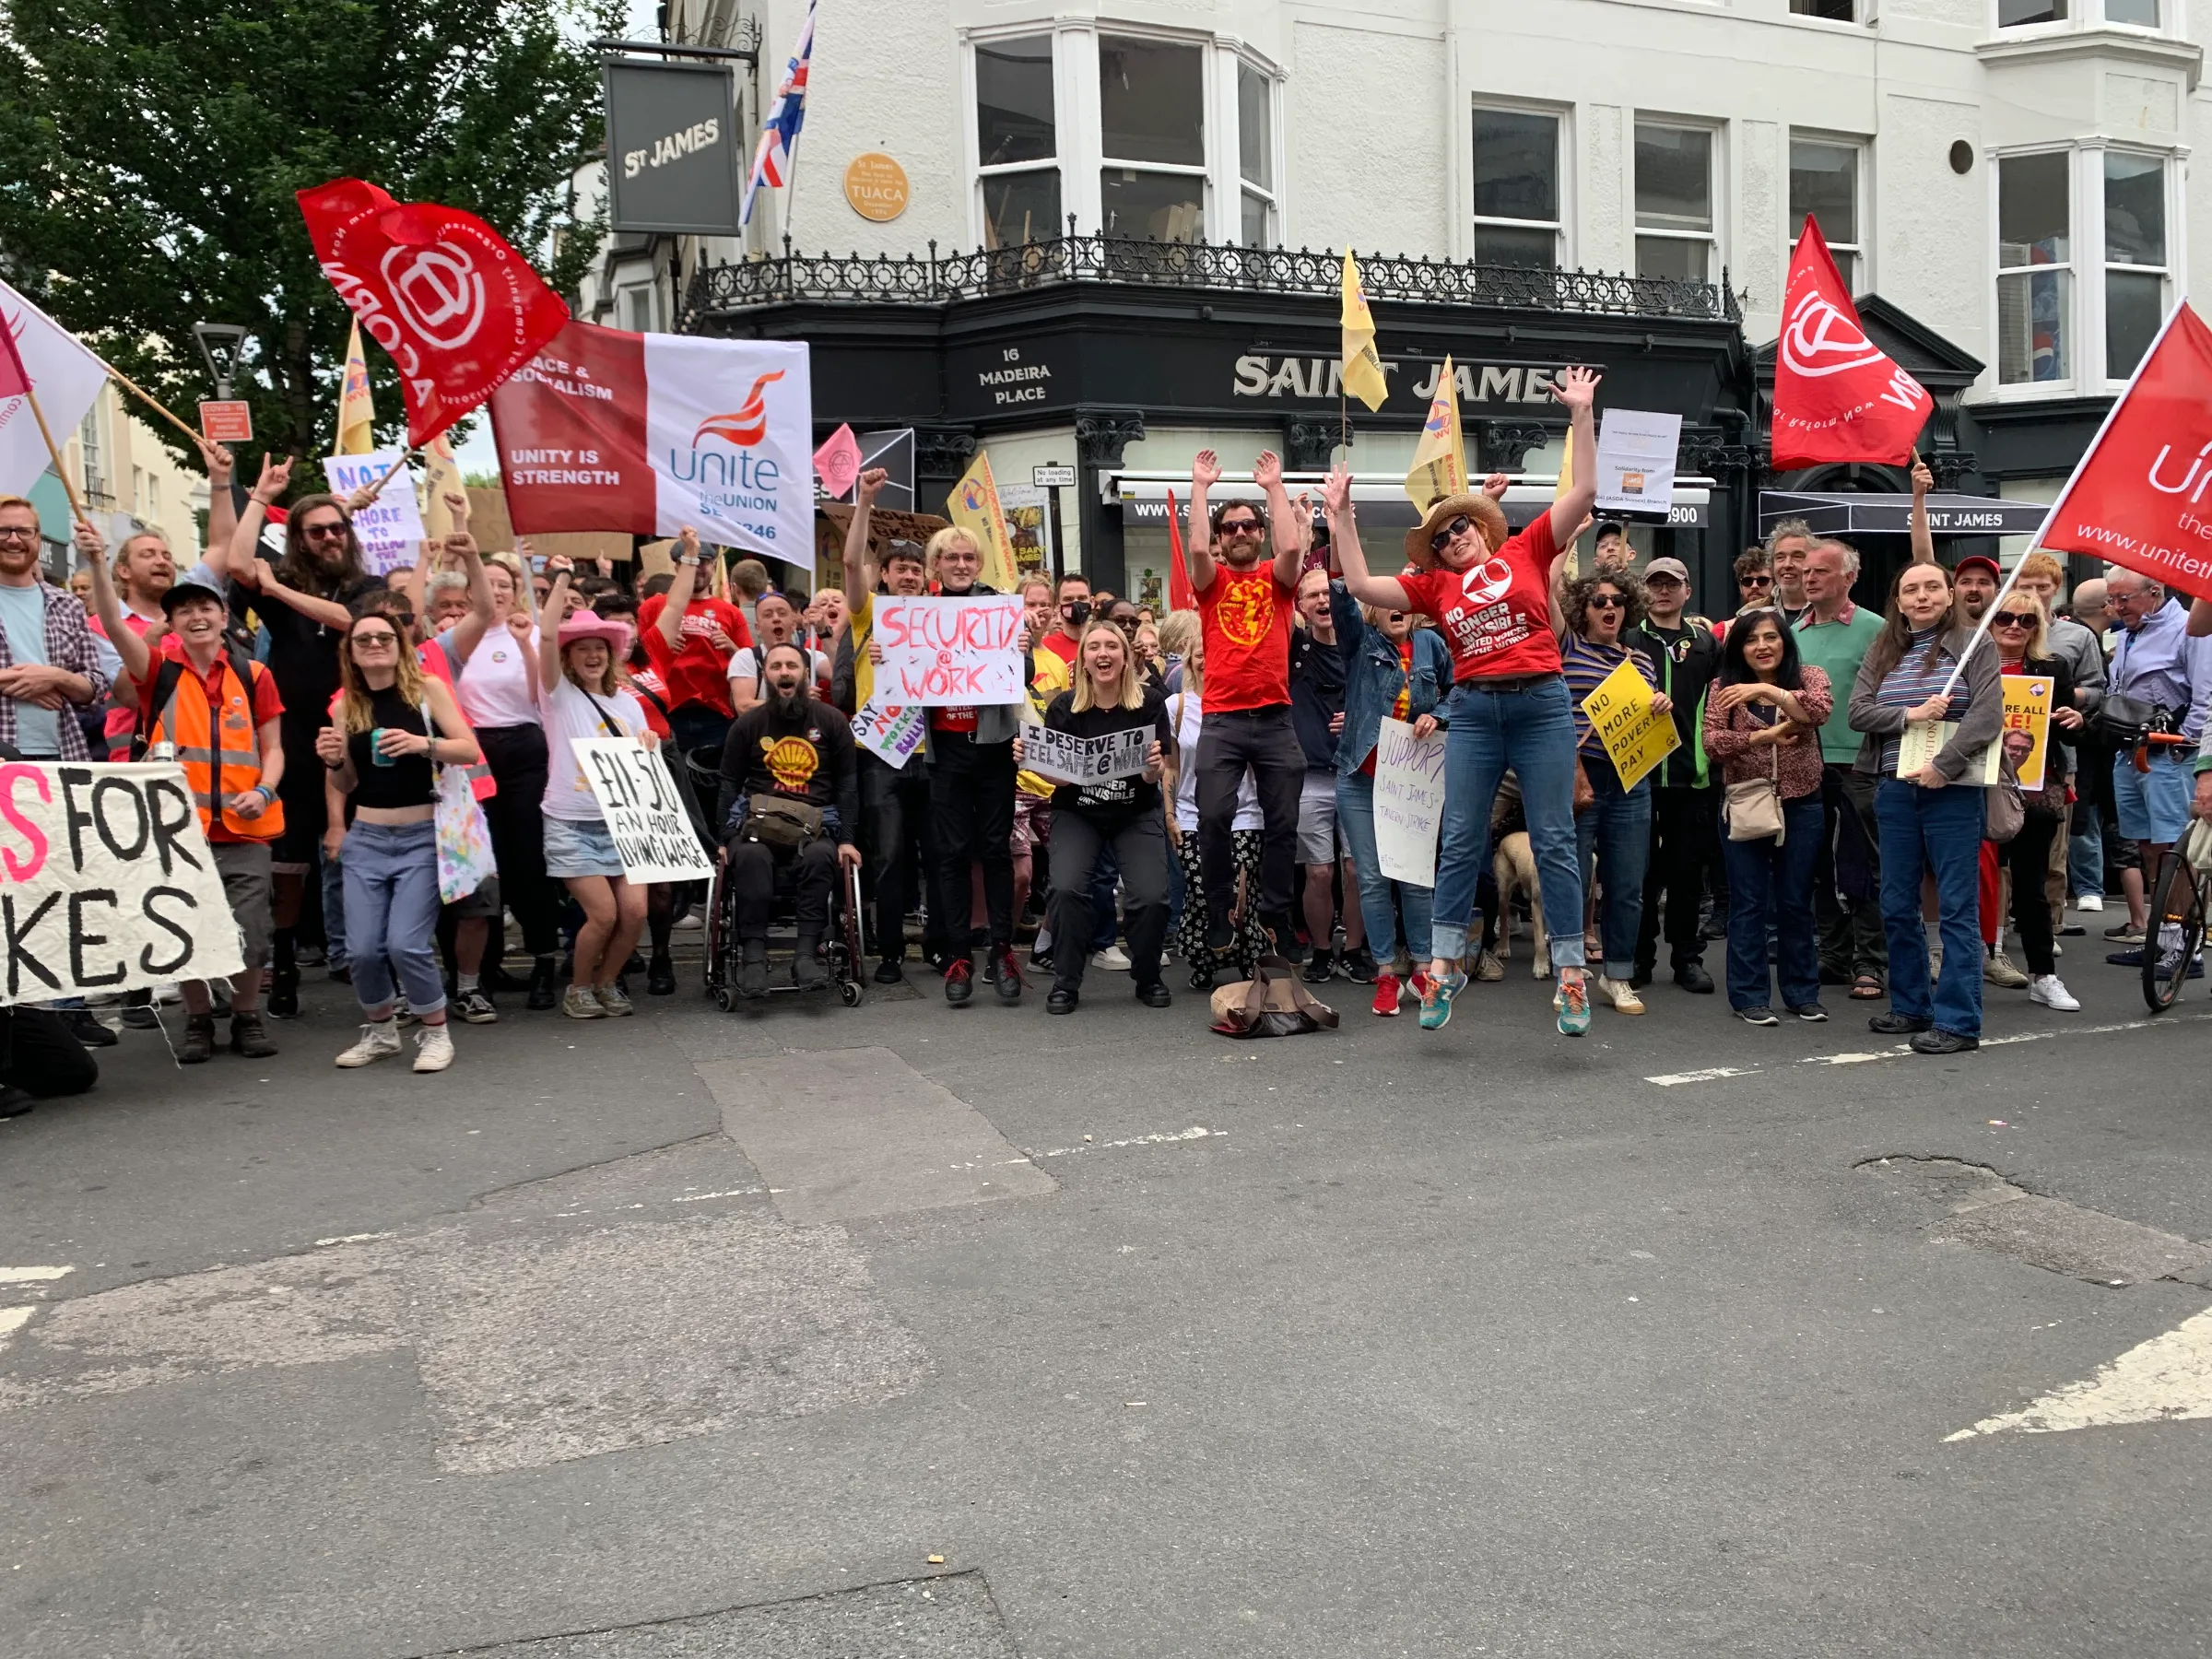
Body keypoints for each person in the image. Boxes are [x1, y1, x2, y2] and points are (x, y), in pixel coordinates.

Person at [1324, 361, 1604, 1036]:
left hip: (1539, 703)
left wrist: (1581, 412)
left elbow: (1587, 487)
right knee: (1458, 838)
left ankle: (1570, 976)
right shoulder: (1433, 591)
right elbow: (1360, 584)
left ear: (1485, 528)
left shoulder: (1531, 549)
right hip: (1475, 708)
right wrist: (1340, 519)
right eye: (1443, 537)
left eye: (1462, 528)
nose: (1455, 539)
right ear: (1438, 555)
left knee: (1556, 840)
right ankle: (1443, 965)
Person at [85, 557, 285, 1064]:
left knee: (253, 929)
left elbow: (274, 748)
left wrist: (264, 791)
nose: (196, 617)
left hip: (245, 829)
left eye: (205, 607)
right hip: (176, 831)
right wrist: (93, 561)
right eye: (184, 611)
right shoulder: (158, 673)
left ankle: (245, 1015)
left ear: (223, 617)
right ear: (169, 625)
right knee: (184, 926)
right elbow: (112, 623)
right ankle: (197, 1018)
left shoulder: (254, 674)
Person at [225, 457, 387, 1018]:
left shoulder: (371, 585)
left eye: (336, 527)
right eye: (315, 530)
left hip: (359, 730)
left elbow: (350, 621)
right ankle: (287, 961)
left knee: (364, 851)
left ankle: (374, 958)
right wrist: (258, 497)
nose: (328, 537)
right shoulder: (282, 577)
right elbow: (239, 562)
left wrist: (279, 590)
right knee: (290, 859)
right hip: (294, 735)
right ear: (298, 539)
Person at [312, 609, 480, 1072]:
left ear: (400, 644)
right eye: (362, 639)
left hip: (423, 836)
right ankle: (382, 1031)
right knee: (361, 949)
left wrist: (421, 744)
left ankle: (436, 1033)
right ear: (351, 651)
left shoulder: (427, 690)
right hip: (367, 836)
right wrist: (332, 761)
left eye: (384, 636)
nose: (374, 644)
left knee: (406, 943)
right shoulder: (346, 705)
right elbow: (346, 784)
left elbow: (468, 749)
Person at [1847, 561, 2002, 1055]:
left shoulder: (1976, 644)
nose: (1922, 597)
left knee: (1957, 909)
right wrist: (1911, 714)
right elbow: (1858, 711)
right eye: (1910, 589)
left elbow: (1987, 716)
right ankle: (1912, 1004)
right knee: (1895, 903)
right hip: (1894, 788)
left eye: (1932, 587)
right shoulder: (1885, 647)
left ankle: (1959, 1022)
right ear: (1898, 601)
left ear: (1950, 593)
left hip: (1952, 792)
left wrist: (1945, 765)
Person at [1184, 448, 1306, 965]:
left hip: (1275, 719)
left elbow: (1295, 546)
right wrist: (1199, 488)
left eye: (1248, 525)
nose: (1239, 532)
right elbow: (1194, 550)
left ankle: (1276, 913)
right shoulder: (1211, 584)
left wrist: (1274, 489)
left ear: (1259, 533)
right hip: (1223, 721)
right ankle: (1218, 909)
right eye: (1229, 527)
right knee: (1213, 817)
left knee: (1282, 823)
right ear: (1220, 538)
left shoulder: (1278, 583)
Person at [1021, 618, 1175, 1013]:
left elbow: (1158, 770)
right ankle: (1066, 982)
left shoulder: (1150, 702)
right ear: (1083, 659)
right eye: (1094, 647)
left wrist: (1153, 769)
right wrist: (1035, 763)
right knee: (1066, 889)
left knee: (1151, 896)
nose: (1102, 653)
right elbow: (1061, 779)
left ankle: (1148, 977)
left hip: (1136, 810)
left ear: (1125, 658)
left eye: (1111, 647)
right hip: (1079, 813)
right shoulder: (1063, 707)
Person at [535, 564, 659, 1019]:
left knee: (635, 914)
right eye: (582, 649)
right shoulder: (557, 694)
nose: (592, 655)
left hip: (626, 822)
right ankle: (579, 987)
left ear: (612, 654)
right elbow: (547, 638)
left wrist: (649, 742)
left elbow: (643, 749)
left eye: (599, 648)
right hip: (572, 822)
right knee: (603, 915)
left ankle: (606, 984)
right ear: (569, 657)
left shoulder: (627, 701)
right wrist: (564, 581)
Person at [1702, 610, 1832, 1025]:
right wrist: (1763, 736)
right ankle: (1748, 996)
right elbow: (1712, 744)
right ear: (1739, 647)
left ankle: (1801, 993)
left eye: (1771, 637)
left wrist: (1767, 692)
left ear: (1785, 642)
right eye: (1751, 639)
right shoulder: (1722, 687)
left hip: (1803, 802)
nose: (1762, 646)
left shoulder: (1810, 675)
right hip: (1745, 802)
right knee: (1750, 902)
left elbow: (1818, 711)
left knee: (1795, 901)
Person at [1330, 577, 1452, 1017]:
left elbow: (1460, 692)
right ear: (1373, 612)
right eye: (1386, 604)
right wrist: (1340, 561)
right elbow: (1340, 600)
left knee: (1417, 877)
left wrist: (1437, 716)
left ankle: (1422, 969)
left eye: (1402, 603)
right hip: (1362, 781)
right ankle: (1385, 973)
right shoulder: (1361, 645)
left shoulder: (1433, 647)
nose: (1395, 610)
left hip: (1414, 781)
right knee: (1374, 879)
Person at [921, 524, 1029, 1006]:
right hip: (945, 749)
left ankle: (1003, 950)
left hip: (992, 747)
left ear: (978, 564)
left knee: (995, 850)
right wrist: (883, 657)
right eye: (952, 558)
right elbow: (900, 675)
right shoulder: (917, 612)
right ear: (937, 565)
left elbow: (1019, 677)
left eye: (969, 557)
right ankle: (958, 953)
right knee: (951, 854)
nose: (961, 565)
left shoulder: (999, 606)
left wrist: (1023, 653)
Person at [718, 641, 861, 995]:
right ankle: (753, 957)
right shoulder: (748, 724)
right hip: (756, 827)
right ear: (765, 675)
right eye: (776, 666)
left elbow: (847, 785)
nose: (785, 672)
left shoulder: (831, 720)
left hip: (815, 827)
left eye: (792, 666)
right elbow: (728, 784)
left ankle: (805, 955)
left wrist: (846, 838)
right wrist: (721, 840)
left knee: (820, 856)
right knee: (749, 857)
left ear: (806, 674)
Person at [1557, 568, 1668, 1015]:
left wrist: (1663, 706)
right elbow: (1547, 589)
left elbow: (1650, 725)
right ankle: (1570, 975)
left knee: (1627, 885)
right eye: (1599, 600)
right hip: (1580, 777)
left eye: (1618, 601)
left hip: (1631, 780)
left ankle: (1617, 975)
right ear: (1581, 609)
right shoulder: (1567, 646)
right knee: (1574, 879)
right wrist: (1565, 539)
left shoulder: (1641, 663)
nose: (1609, 607)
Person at [2101, 569, 2212, 974]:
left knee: (2173, 849)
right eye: (2111, 600)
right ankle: (2161, 939)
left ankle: (2186, 947)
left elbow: (2206, 692)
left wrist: (2187, 746)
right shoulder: (2130, 630)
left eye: (2123, 599)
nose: (2116, 607)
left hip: (2170, 754)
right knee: (2149, 847)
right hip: (2131, 752)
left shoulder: (2190, 627)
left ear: (2155, 591)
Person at [1794, 535, 1889, 1002]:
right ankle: (1833, 953)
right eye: (1805, 571)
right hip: (1806, 764)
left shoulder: (1877, 629)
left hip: (1860, 764)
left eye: (1820, 571)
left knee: (1864, 865)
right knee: (1817, 865)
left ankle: (1870, 961)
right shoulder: (1795, 632)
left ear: (1849, 577)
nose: (1808, 577)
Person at [1980, 591, 2082, 1010]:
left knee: (2030, 884)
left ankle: (2045, 974)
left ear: (2039, 627)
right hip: (1975, 784)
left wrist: (2075, 720)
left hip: (2033, 790)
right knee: (1971, 879)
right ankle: (1974, 961)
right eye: (2005, 617)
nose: (2015, 626)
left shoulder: (2052, 668)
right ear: (1990, 620)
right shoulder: (1969, 665)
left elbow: (2071, 733)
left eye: (2027, 620)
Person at [1626, 556, 1721, 994]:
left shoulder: (1705, 644)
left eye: (1672, 584)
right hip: (1637, 777)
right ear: (1644, 592)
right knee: (1638, 874)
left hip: (1691, 777)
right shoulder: (1626, 640)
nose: (1664, 591)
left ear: (1687, 591)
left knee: (1687, 875)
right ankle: (1639, 958)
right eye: (1655, 584)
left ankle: (1688, 959)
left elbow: (1720, 706)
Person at [1160, 610, 1268, 983]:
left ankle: (1246, 959)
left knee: (1240, 893)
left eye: (1214, 650)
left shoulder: (1252, 702)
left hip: (1245, 814)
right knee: (1204, 891)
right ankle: (1203, 958)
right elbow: (1171, 766)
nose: (1206, 657)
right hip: (1192, 816)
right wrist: (1170, 814)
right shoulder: (1175, 707)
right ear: (1189, 659)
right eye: (1199, 652)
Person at [1288, 567, 1370, 982]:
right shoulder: (1294, 650)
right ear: (1301, 607)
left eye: (1329, 594)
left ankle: (1354, 950)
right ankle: (1321, 951)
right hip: (1311, 778)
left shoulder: (1364, 649)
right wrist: (1301, 535)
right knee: (1318, 872)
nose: (1323, 601)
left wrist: (1358, 720)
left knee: (1357, 870)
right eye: (1313, 596)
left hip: (1359, 774)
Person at [642, 541, 754, 756]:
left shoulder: (732, 613)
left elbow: (751, 664)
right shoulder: (653, 607)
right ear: (677, 568)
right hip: (666, 710)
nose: (697, 568)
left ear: (713, 566)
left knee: (710, 781)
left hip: (716, 714)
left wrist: (732, 647)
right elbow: (633, 656)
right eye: (690, 563)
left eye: (703, 563)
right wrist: (656, 644)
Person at [727, 591, 831, 713]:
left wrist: (824, 632)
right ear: (758, 628)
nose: (776, 618)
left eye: (782, 613)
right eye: (768, 615)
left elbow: (840, 675)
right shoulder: (746, 658)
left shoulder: (810, 656)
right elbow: (743, 707)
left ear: (793, 625)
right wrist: (795, 701)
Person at [1766, 520, 1814, 622]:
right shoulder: (1753, 612)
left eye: (1797, 556)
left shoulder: (1829, 612)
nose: (1787, 564)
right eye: (1780, 557)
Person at [1040, 574, 1089, 667]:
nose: (1076, 603)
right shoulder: (1045, 647)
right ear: (1058, 606)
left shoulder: (1103, 644)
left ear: (1092, 602)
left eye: (1082, 598)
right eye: (1068, 599)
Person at [1951, 554, 2001, 626]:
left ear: (1997, 592)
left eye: (1983, 583)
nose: (1973, 589)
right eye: (1965, 582)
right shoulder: (1939, 630)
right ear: (1953, 590)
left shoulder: (2009, 631)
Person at [1733, 549, 1773, 618]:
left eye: (1762, 580)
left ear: (1775, 584)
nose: (1754, 586)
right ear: (1740, 587)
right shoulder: (1727, 627)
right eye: (1747, 581)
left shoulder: (1783, 623)